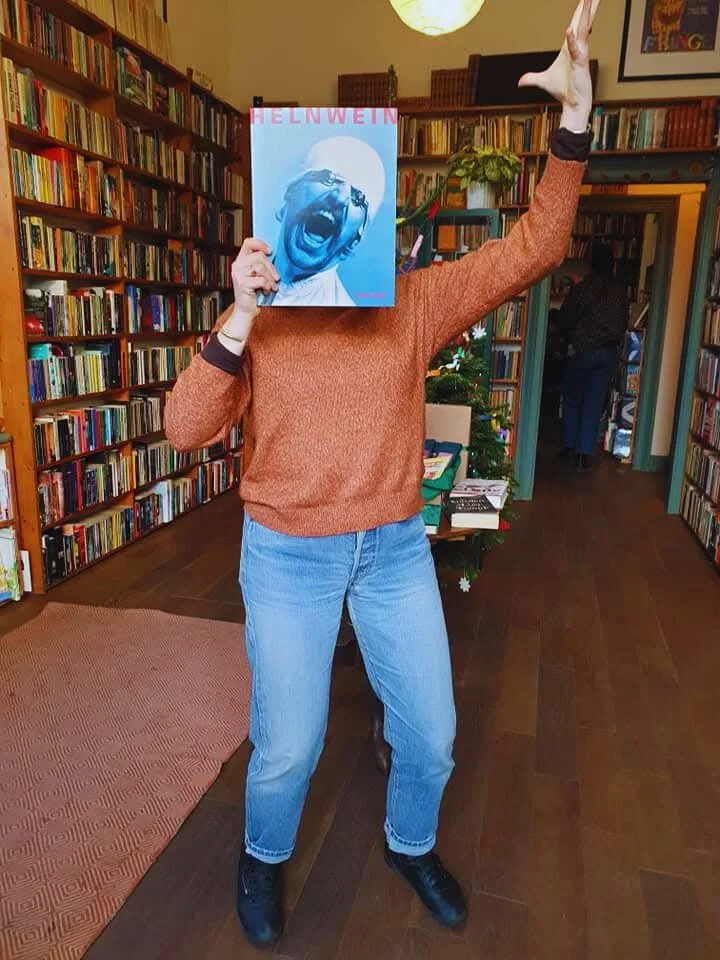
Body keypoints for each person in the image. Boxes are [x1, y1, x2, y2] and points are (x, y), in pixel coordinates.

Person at [165, 0, 598, 947]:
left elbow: (537, 246)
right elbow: (183, 429)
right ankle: (264, 857)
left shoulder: (412, 302)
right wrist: (236, 316)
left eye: (343, 205)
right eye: (308, 201)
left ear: (365, 216)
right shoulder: (264, 308)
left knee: (433, 736)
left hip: (393, 547)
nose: (324, 218)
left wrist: (573, 123)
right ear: (286, 208)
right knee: (289, 748)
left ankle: (409, 843)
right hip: (288, 554)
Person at [262, 136, 386, 307]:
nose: (340, 198)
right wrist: (241, 310)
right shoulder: (249, 288)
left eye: (358, 199)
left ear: (353, 243)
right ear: (290, 195)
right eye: (328, 178)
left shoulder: (349, 321)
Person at [558, 239, 630, 470]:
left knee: (572, 398)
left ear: (591, 263)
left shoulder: (582, 288)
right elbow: (622, 323)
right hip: (607, 353)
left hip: (581, 350)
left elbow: (565, 318)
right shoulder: (620, 291)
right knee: (593, 402)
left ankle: (569, 446)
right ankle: (583, 455)